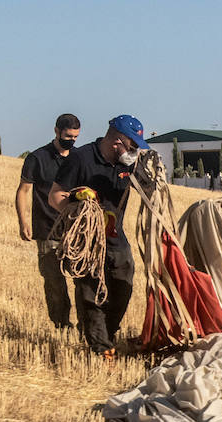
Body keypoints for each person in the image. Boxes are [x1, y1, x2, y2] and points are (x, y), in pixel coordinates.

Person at [49, 115, 147, 359]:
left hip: (116, 239)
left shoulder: (129, 165)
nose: (134, 151)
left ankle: (105, 335)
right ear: (116, 141)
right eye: (132, 146)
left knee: (123, 286)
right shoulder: (80, 159)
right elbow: (55, 196)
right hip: (87, 242)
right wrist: (75, 201)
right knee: (91, 294)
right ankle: (102, 349)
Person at [15, 113, 80, 328]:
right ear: (56, 131)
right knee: (54, 284)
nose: (71, 141)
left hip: (75, 231)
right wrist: (23, 222)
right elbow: (23, 191)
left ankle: (87, 326)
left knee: (83, 280)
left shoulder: (79, 158)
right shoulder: (37, 158)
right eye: (68, 136)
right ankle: (62, 326)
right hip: (46, 230)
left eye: (75, 137)